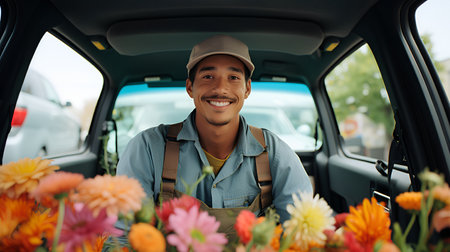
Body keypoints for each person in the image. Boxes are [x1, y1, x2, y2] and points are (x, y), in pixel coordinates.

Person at [116, 35, 312, 237]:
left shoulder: (275, 153)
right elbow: (124, 238)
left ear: (247, 89)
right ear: (190, 87)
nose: (220, 88)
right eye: (208, 76)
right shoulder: (146, 148)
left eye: (233, 77)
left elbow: (300, 237)